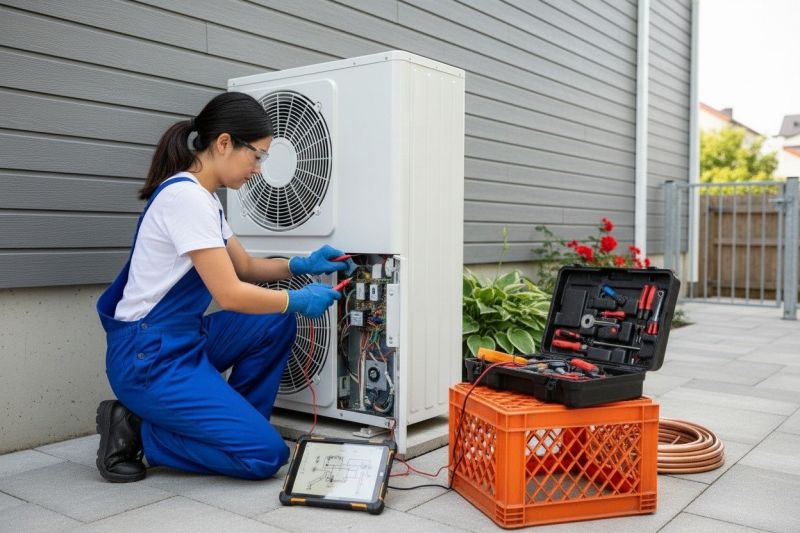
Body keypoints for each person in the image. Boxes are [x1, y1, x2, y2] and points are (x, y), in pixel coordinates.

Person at [95, 92, 346, 483]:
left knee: (273, 323)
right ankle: (140, 432)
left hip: (181, 342)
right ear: (225, 142)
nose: (259, 169)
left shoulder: (206, 200)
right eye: (257, 156)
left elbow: (244, 267)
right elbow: (230, 294)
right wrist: (296, 298)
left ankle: (233, 428)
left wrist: (301, 263)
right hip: (149, 357)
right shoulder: (186, 198)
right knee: (266, 457)